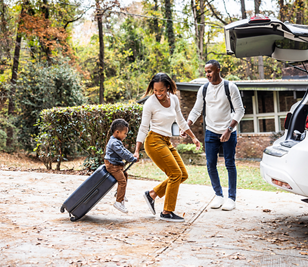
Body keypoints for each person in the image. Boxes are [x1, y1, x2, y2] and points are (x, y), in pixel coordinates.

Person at [133, 73, 201, 223]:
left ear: (168, 87)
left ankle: (152, 194)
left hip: (166, 141)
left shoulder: (174, 99)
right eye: (155, 91)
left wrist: (194, 137)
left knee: (182, 174)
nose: (158, 94)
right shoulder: (150, 103)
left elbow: (181, 121)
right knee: (175, 174)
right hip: (153, 142)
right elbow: (143, 128)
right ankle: (167, 212)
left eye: (161, 91)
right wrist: (137, 150)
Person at [185, 60, 245, 211]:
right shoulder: (204, 89)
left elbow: (240, 110)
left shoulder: (230, 87)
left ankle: (231, 198)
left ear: (218, 69)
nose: (207, 74)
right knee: (210, 164)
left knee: (229, 163)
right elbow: (196, 110)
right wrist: (187, 124)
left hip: (228, 130)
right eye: (206, 71)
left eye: (210, 71)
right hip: (211, 131)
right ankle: (218, 195)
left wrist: (229, 129)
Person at [104, 119, 138, 214]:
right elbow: (122, 153)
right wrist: (131, 159)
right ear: (117, 132)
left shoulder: (116, 141)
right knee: (122, 181)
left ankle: (119, 193)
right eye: (125, 133)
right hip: (112, 165)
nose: (125, 135)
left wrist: (132, 155)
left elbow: (124, 150)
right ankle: (118, 202)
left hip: (116, 165)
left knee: (125, 175)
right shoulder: (114, 143)